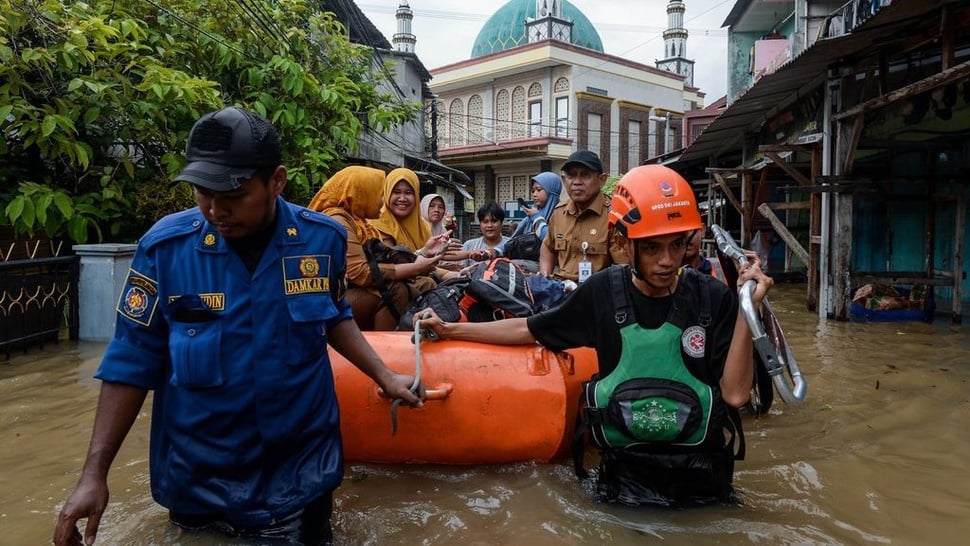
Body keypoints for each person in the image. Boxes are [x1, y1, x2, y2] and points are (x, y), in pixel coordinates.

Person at [53, 107, 426, 546]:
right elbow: (130, 362)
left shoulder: (320, 240)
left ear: (277, 182)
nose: (215, 209)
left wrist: (384, 375)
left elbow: (334, 316)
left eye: (232, 194)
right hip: (198, 480)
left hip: (298, 475)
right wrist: (94, 475)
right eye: (202, 192)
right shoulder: (166, 249)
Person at [416, 164, 774, 508]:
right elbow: (530, 329)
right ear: (623, 243)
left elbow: (736, 393)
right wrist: (451, 328)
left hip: (703, 479)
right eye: (652, 248)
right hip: (625, 480)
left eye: (676, 246)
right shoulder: (603, 293)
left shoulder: (711, 297)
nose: (667, 261)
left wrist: (748, 311)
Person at [308, 166, 451, 331]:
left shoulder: (359, 222)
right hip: (329, 297)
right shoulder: (339, 220)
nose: (383, 202)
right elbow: (359, 272)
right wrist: (415, 267)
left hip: (348, 291)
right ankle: (383, 350)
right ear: (361, 193)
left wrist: (422, 255)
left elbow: (379, 258)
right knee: (397, 291)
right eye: (380, 194)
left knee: (416, 286)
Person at [540, 150, 627, 283]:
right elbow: (548, 246)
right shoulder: (559, 213)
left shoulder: (614, 216)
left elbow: (623, 268)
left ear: (602, 180)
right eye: (571, 176)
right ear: (564, 180)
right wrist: (545, 274)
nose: (577, 182)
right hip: (562, 289)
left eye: (585, 175)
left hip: (597, 293)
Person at [508, 171, 562, 242]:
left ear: (551, 192)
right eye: (533, 191)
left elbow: (550, 239)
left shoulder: (562, 215)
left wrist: (537, 218)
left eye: (539, 190)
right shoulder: (528, 219)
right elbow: (512, 241)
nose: (534, 194)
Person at [457, 201, 510, 268]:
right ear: (480, 224)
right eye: (485, 222)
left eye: (494, 221)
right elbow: (460, 271)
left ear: (502, 223)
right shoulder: (469, 246)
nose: (489, 225)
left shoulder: (511, 245)